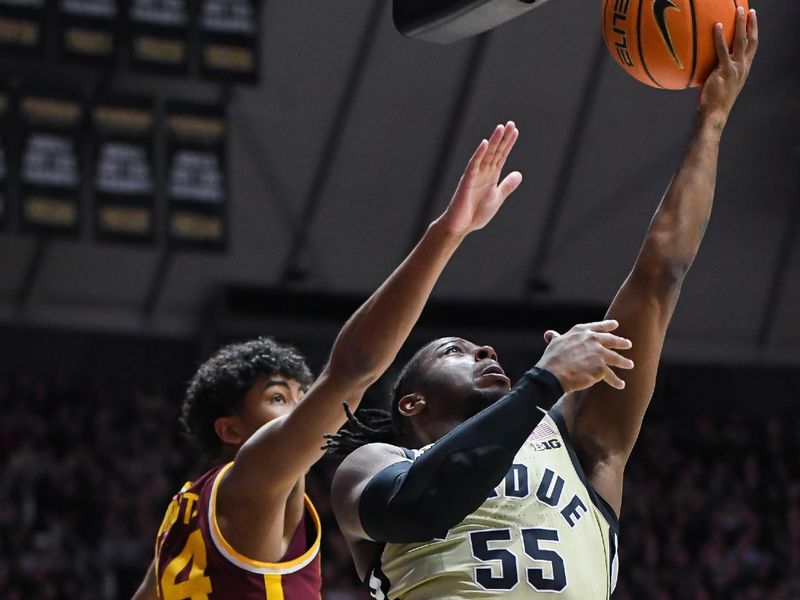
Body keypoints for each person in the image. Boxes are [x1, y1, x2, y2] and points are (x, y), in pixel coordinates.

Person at [328, 9, 758, 599]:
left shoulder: (582, 445)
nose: (484, 348)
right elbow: (417, 509)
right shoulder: (373, 463)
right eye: (455, 349)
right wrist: (543, 384)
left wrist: (712, 120)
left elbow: (661, 273)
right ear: (411, 400)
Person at [131, 121, 628, 600]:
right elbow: (352, 370)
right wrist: (447, 233)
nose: (300, 410)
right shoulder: (252, 478)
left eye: (300, 396)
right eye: (278, 398)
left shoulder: (179, 525)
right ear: (231, 430)